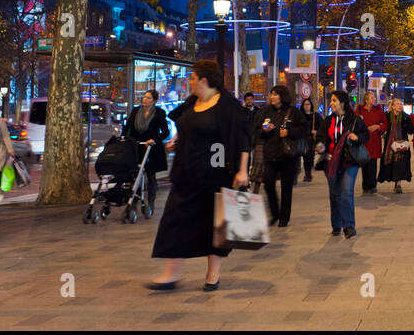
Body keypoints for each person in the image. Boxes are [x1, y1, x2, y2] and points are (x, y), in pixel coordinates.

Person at [148, 60, 251, 292]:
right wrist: (177, 141)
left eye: (192, 78)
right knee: (174, 221)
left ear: (203, 80)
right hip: (186, 172)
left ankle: (213, 273)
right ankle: (170, 274)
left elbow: (243, 140)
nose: (189, 81)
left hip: (216, 173)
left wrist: (243, 170)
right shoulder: (192, 102)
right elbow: (186, 126)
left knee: (215, 225)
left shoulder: (228, 106)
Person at [317, 90, 368, 238]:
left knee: (346, 191)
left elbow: (366, 135)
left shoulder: (355, 120)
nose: (331, 103)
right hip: (331, 162)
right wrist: (319, 145)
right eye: (331, 101)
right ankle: (336, 225)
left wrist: (356, 137)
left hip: (349, 161)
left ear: (342, 103)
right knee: (334, 194)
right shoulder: (328, 120)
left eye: (334, 100)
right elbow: (320, 137)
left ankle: (349, 226)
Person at [253, 84, 303, 227]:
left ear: (282, 96)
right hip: (270, 154)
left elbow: (302, 130)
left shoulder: (293, 112)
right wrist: (264, 130)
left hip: (288, 155)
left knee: (287, 187)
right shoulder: (264, 112)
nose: (272, 97)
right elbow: (255, 131)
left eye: (275, 94)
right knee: (268, 183)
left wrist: (289, 132)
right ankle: (275, 212)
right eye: (271, 94)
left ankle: (284, 218)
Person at [124, 89, 171, 205]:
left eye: (149, 98)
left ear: (154, 101)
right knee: (135, 176)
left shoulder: (159, 113)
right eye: (144, 97)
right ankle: (134, 201)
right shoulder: (135, 111)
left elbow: (165, 132)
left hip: (151, 148)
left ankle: (151, 202)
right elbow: (127, 128)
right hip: (137, 147)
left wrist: (154, 139)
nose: (145, 99)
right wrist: (124, 138)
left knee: (151, 176)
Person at [379, 97, 414, 193]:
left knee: (401, 163)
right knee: (392, 163)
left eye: (400, 103)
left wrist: (407, 125)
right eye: (397, 104)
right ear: (393, 106)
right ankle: (393, 179)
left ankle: (398, 184)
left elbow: (411, 131)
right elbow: (382, 127)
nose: (400, 105)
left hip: (402, 144)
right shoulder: (387, 116)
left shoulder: (405, 116)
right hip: (390, 145)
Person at [357, 90, 388, 195]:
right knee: (364, 164)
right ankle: (365, 185)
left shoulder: (378, 111)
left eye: (374, 97)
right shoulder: (359, 111)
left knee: (373, 164)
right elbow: (354, 125)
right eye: (372, 98)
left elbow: (385, 124)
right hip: (364, 142)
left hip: (375, 141)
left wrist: (378, 126)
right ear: (366, 100)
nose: (374, 99)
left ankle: (372, 185)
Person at [297, 95, 322, 182]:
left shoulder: (316, 116)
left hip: (312, 140)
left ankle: (308, 173)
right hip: (303, 140)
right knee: (304, 157)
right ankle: (307, 174)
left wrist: (316, 131)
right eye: (305, 104)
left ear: (311, 105)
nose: (307, 106)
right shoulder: (300, 116)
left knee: (310, 158)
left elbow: (322, 127)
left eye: (308, 104)